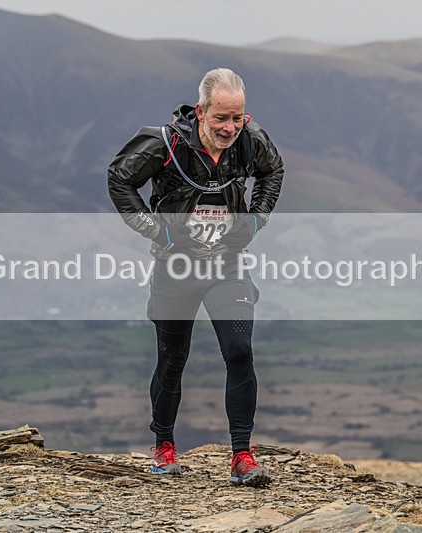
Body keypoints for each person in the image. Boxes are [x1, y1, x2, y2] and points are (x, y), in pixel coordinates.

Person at [108, 68, 284, 487]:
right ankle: (164, 447)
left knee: (239, 351)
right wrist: (156, 230)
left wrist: (256, 219)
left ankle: (242, 456)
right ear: (201, 112)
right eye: (221, 118)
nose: (229, 128)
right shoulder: (163, 143)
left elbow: (272, 171)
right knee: (172, 360)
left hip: (226, 263)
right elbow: (119, 178)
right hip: (177, 265)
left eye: (237, 118)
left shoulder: (251, 139)